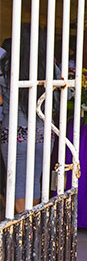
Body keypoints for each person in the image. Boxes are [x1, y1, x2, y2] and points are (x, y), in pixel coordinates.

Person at [0, 24, 57, 214]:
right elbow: (58, 100)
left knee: (14, 180)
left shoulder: (5, 67)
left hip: (14, 131)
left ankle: (17, 230)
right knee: (34, 179)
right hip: (42, 132)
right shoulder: (50, 68)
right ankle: (30, 229)